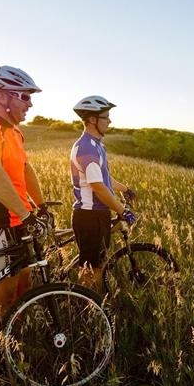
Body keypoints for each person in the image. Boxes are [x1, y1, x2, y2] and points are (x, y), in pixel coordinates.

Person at [0, 65, 50, 353]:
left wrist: (40, 206)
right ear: (2, 96)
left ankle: (12, 340)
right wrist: (26, 215)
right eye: (24, 97)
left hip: (19, 221)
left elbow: (26, 170)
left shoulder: (14, 132)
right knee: (1, 295)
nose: (30, 104)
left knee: (23, 283)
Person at [69, 96, 136, 293]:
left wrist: (125, 189)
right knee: (90, 270)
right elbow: (97, 186)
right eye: (106, 117)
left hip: (97, 214)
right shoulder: (87, 148)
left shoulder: (96, 145)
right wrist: (123, 211)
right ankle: (85, 304)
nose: (110, 121)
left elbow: (104, 177)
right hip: (90, 215)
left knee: (97, 264)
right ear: (92, 120)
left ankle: (91, 302)